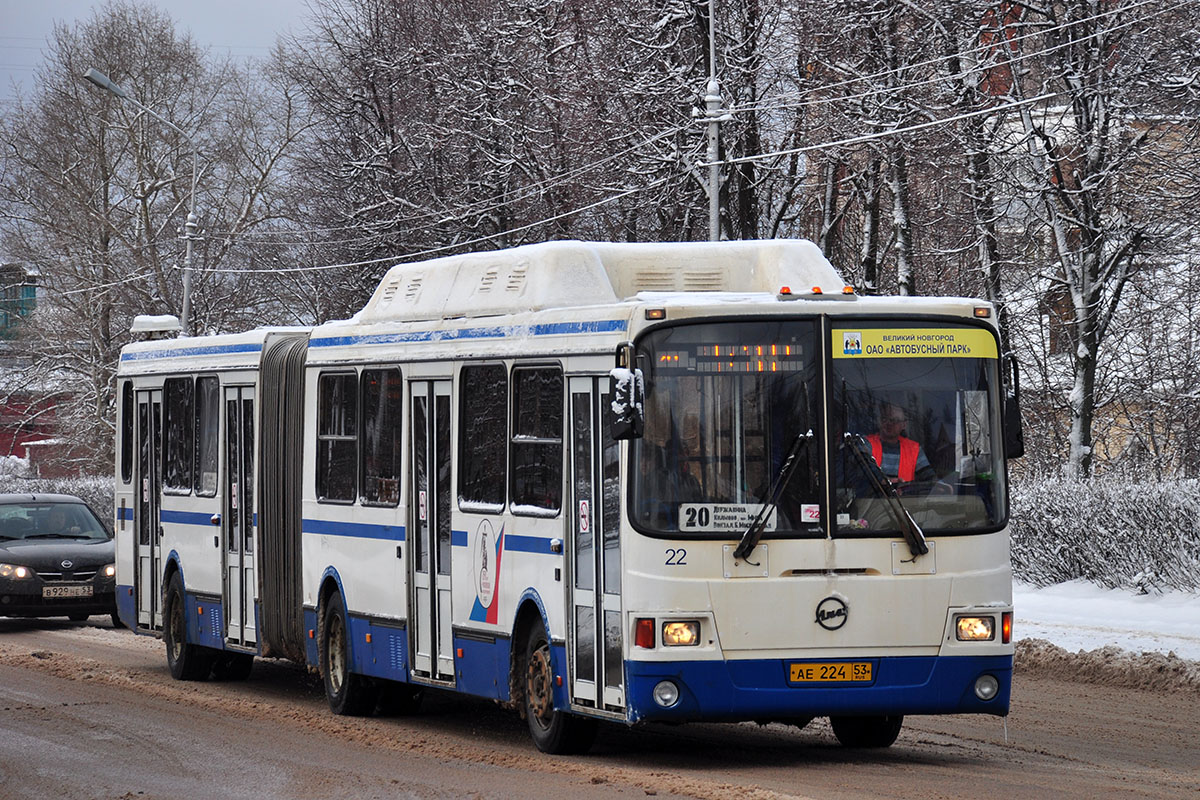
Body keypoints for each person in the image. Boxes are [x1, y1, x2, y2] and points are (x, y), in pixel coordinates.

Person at [865, 402, 937, 485]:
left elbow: (928, 475)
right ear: (880, 422)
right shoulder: (866, 444)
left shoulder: (914, 449)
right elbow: (864, 471)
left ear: (904, 425)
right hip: (872, 497)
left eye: (894, 420)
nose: (889, 423)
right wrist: (883, 481)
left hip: (904, 498)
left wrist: (938, 485)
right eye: (885, 419)